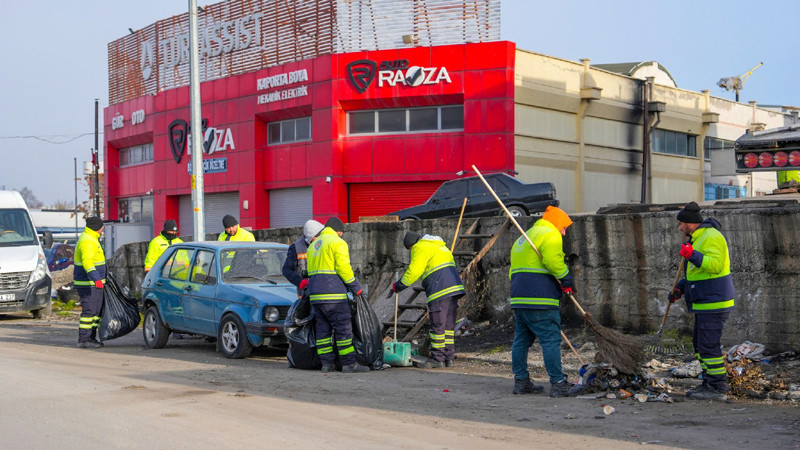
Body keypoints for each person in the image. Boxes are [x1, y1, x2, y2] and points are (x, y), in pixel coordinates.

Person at [669, 201, 735, 401]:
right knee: (700, 345)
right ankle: (708, 381)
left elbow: (714, 266)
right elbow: (697, 273)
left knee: (708, 346)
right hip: (704, 300)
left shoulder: (711, 237)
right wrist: (680, 288)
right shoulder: (697, 238)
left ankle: (717, 387)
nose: (680, 228)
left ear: (690, 223)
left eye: (681, 224)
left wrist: (693, 255)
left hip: (713, 301)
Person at [509, 206, 576, 397]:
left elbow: (512, 270)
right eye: (563, 227)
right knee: (550, 340)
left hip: (519, 298)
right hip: (540, 298)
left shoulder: (524, 237)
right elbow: (553, 261)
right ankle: (558, 383)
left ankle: (521, 382)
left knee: (521, 341)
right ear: (556, 223)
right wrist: (565, 279)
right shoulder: (550, 234)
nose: (563, 232)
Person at [389, 231, 465, 368]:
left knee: (438, 325)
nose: (411, 251)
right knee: (448, 326)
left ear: (411, 245)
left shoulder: (420, 247)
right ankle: (449, 357)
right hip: (454, 288)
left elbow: (414, 271)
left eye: (410, 249)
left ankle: (438, 359)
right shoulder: (439, 246)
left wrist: (398, 286)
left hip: (439, 289)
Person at [306, 217, 369, 373]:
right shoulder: (337, 242)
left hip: (315, 296)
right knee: (343, 329)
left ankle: (327, 364)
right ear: (338, 230)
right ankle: (349, 363)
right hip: (333, 295)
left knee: (323, 331)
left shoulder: (313, 245)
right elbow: (343, 269)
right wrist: (356, 287)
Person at [74, 216, 106, 349]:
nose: (103, 229)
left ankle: (91, 338)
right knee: (89, 311)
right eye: (101, 226)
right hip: (88, 284)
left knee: (96, 311)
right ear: (97, 227)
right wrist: (96, 278)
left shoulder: (92, 238)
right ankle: (84, 340)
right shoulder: (88, 241)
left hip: (95, 283)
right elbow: (88, 262)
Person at [282, 219, 325, 298]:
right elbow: (286, 270)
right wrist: (300, 281)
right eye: (318, 236)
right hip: (305, 296)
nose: (320, 238)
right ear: (311, 238)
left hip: (322, 294)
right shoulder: (296, 248)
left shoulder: (324, 244)